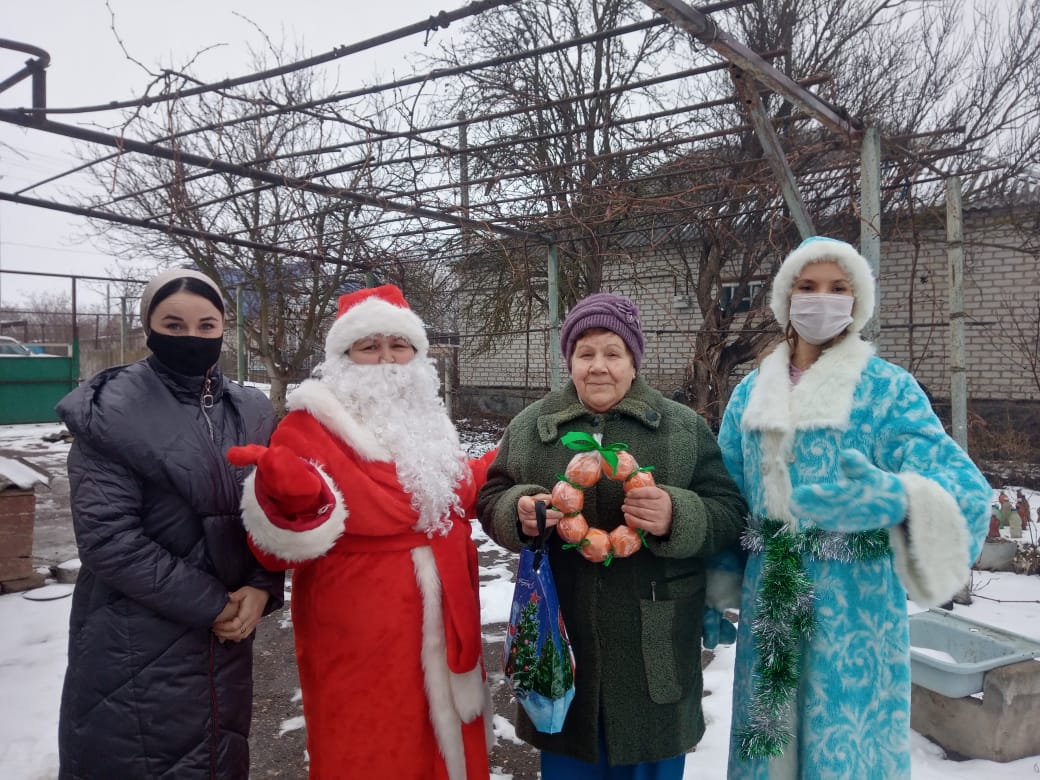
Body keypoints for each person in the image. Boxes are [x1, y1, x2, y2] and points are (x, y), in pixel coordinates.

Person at [716, 236, 992, 778]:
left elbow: (965, 488)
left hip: (856, 610)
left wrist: (902, 498)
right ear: (785, 299)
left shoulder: (887, 390)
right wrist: (713, 583)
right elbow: (726, 497)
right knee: (765, 750)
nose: (822, 300)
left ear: (857, 301)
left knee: (848, 750)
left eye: (838, 288)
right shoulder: (749, 394)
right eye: (808, 286)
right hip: (769, 602)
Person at [227, 285, 496, 780]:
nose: (386, 359)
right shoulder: (308, 425)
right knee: (369, 742)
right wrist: (291, 499)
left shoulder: (430, 420)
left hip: (446, 606)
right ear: (343, 356)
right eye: (369, 346)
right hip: (358, 623)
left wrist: (507, 461)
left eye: (399, 345)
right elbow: (275, 550)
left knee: (446, 746)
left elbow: (456, 493)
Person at [476, 292, 747, 779]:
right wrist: (516, 513)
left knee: (652, 763)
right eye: (585, 353)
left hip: (654, 644)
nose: (598, 367)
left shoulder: (681, 430)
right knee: (569, 762)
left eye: (612, 353)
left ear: (633, 361)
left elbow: (728, 511)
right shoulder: (531, 428)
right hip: (561, 641)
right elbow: (492, 495)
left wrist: (676, 514)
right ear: (570, 361)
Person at [56, 267, 284, 779]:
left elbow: (273, 508)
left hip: (225, 637)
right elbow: (109, 539)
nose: (192, 337)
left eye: (207, 325)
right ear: (148, 328)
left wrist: (261, 584)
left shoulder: (250, 407)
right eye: (174, 325)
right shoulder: (113, 407)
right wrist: (214, 604)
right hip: (135, 634)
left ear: (225, 327)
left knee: (216, 755)